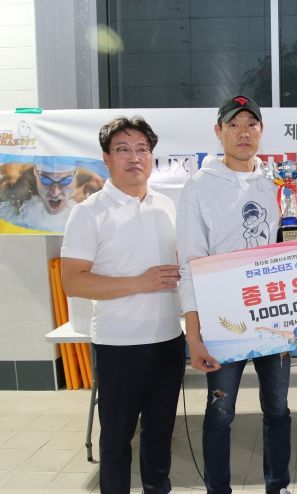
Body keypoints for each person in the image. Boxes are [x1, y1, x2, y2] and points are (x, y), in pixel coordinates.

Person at [61, 116, 185, 494]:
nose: (135, 157)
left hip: (168, 341)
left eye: (142, 149)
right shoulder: (89, 212)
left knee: (160, 436)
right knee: (116, 441)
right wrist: (139, 283)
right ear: (106, 158)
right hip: (119, 346)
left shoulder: (167, 206)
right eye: (123, 149)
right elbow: (73, 281)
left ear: (152, 157)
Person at [176, 95, 292, 494]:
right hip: (222, 321)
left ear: (261, 130)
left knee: (277, 408)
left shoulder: (277, 183)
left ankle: (279, 485)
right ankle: (218, 489)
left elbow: (288, 244)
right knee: (220, 411)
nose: (244, 132)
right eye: (234, 124)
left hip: (273, 317)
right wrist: (194, 336)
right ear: (219, 131)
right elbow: (190, 264)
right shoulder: (199, 187)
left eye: (251, 124)